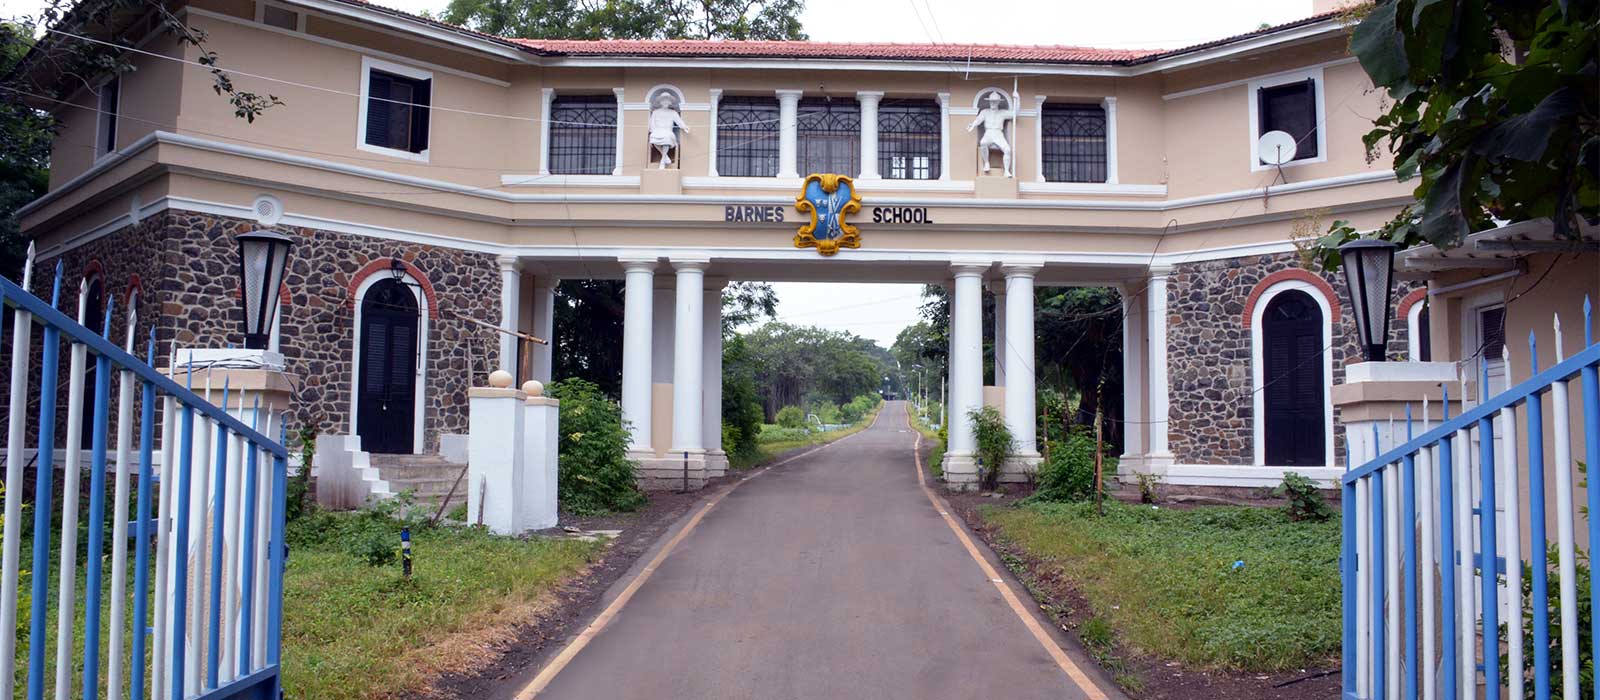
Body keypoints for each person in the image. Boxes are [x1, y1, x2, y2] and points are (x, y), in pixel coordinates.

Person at [966, 90, 1019, 177]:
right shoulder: (985, 112)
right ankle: (986, 163)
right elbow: (978, 120)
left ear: (998, 102)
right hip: (989, 133)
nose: (992, 103)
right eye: (991, 101)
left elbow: (1015, 114)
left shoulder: (1003, 113)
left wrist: (1017, 99)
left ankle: (1006, 171)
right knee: (983, 143)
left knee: (1008, 150)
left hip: (998, 134)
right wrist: (973, 125)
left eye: (994, 101)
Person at [648, 93, 689, 169]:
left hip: (668, 131)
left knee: (667, 138)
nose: (665, 103)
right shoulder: (655, 112)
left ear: (669, 103)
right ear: (661, 102)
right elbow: (652, 123)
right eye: (664, 101)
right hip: (657, 130)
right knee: (653, 138)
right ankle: (665, 156)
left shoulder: (673, 112)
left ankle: (663, 160)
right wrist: (652, 131)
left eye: (667, 102)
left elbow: (679, 121)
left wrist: (684, 127)